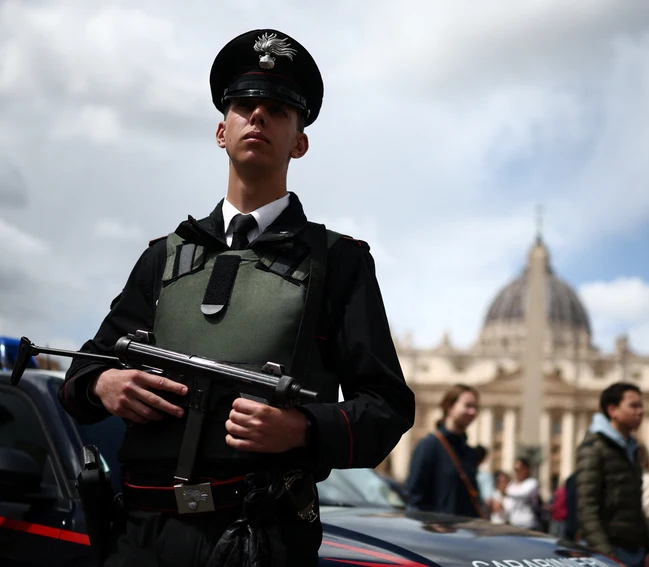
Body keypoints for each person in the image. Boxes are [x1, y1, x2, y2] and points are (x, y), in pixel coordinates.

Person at [56, 28, 416, 567]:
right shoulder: (164, 256)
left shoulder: (338, 263)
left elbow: (388, 407)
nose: (258, 117)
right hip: (143, 536)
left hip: (259, 537)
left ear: (300, 141)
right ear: (221, 132)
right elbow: (83, 372)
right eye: (244, 105)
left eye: (276, 109)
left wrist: (303, 429)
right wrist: (105, 383)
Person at [576, 382, 649, 567]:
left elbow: (635, 505)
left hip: (635, 550)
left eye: (641, 406)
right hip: (607, 550)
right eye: (633, 406)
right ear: (612, 410)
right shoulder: (594, 448)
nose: (640, 411)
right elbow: (587, 509)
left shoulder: (631, 448)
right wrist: (607, 557)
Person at [406, 384, 486, 519]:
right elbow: (415, 496)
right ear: (449, 407)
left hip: (466, 533)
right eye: (467, 406)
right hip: (438, 534)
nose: (472, 412)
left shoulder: (468, 452)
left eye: (475, 407)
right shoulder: (429, 446)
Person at [504, 457, 543, 531]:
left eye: (519, 470)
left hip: (528, 524)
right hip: (513, 524)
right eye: (515, 470)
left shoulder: (532, 483)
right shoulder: (511, 485)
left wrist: (506, 492)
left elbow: (523, 494)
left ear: (526, 469)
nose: (517, 473)